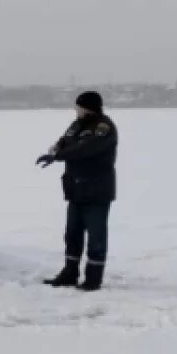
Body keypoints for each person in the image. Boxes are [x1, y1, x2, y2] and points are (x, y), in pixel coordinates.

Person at [36, 91, 118, 291]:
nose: (76, 110)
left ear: (89, 108)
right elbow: (64, 141)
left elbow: (85, 149)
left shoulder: (104, 128)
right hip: (76, 189)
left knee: (96, 237)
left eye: (79, 107)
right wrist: (54, 151)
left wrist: (59, 156)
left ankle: (93, 279)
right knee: (72, 234)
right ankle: (69, 273)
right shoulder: (76, 125)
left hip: (97, 191)